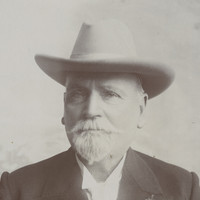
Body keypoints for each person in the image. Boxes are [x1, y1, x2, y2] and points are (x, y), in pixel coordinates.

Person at [0, 19, 199, 200]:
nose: (91, 110)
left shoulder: (183, 190)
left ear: (141, 109)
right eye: (77, 94)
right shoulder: (18, 190)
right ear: (64, 108)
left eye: (110, 94)